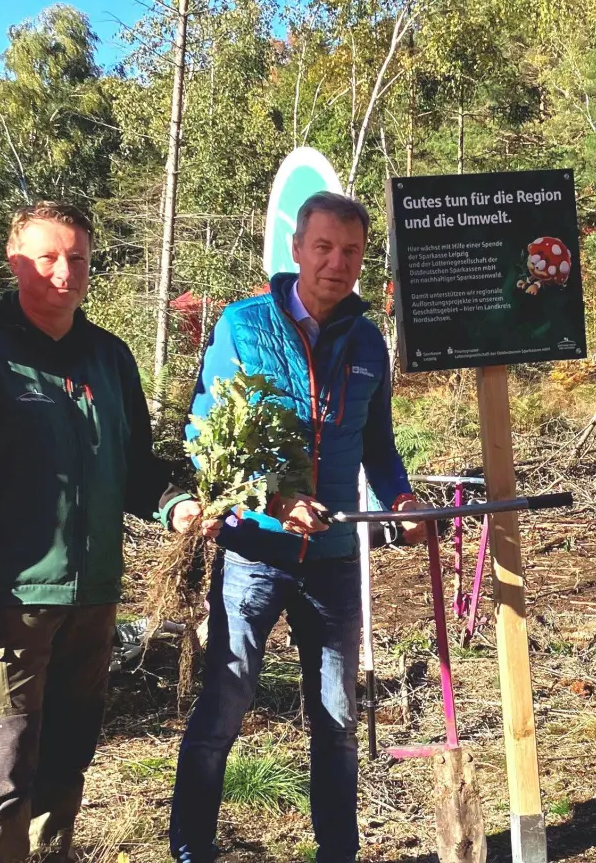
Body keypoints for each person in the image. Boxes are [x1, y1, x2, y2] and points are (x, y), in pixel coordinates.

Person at [0, 201, 213, 863]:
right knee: (2, 765)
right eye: (47, 257)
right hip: (4, 610)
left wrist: (175, 506)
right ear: (14, 260)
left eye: (76, 258)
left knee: (68, 760)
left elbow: (136, 465)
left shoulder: (108, 357)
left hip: (93, 604)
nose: (63, 271)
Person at [169, 191, 424, 863]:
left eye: (351, 251)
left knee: (338, 720)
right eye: (324, 247)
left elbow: (379, 444)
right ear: (296, 248)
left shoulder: (368, 340)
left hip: (337, 559)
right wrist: (275, 504)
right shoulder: (244, 325)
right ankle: (192, 849)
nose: (337, 263)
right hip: (254, 551)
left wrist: (399, 500)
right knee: (226, 703)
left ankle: (337, 854)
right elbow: (207, 437)